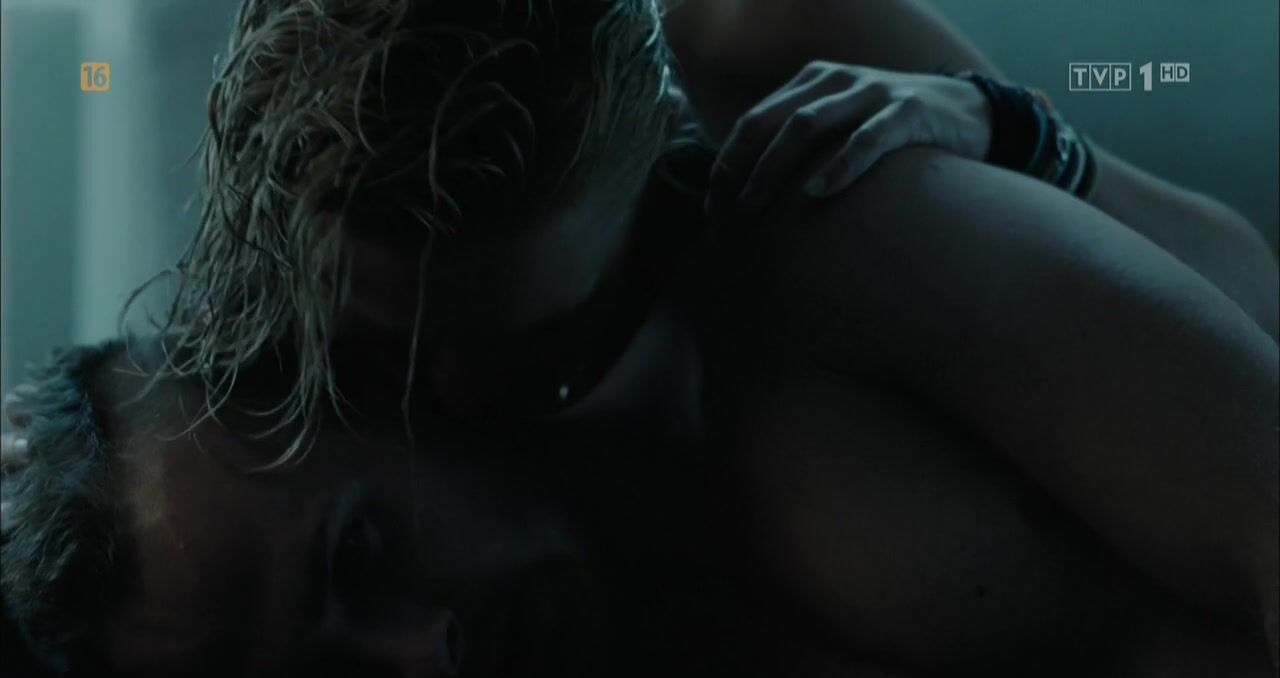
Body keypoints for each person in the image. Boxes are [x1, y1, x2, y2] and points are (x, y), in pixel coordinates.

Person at [6, 0, 1279, 675]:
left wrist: (1013, 130)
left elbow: (1239, 309)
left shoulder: (808, 159)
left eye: (533, 338)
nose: (463, 392)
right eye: (395, 358)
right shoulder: (307, 402)